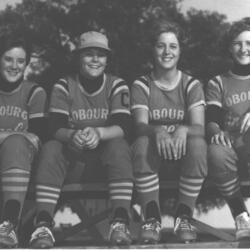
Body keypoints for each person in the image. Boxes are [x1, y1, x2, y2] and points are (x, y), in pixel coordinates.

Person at [29, 31, 134, 248]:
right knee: (51, 147)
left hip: (106, 166)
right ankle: (43, 224)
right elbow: (54, 127)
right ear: (78, 58)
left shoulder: (116, 84)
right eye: (89, 54)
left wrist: (99, 133)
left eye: (101, 55)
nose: (96, 60)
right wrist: (71, 135)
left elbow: (124, 126)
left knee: (119, 146)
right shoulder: (64, 84)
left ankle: (120, 222)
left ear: (107, 60)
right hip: (73, 164)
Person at [131, 20, 207, 244]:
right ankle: (151, 218)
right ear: (152, 50)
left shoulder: (191, 85)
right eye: (161, 46)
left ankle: (184, 216)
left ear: (180, 50)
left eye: (173, 46)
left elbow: (199, 128)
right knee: (142, 141)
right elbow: (139, 126)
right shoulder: (141, 85)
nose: (167, 52)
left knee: (198, 144)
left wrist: (183, 129)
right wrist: (157, 130)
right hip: (151, 159)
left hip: (183, 159)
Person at [0, 30, 47, 248]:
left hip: (21, 163)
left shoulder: (33, 92)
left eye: (21, 61)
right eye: (8, 59)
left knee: (17, 144)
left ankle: (9, 225)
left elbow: (36, 138)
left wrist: (8, 138)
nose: (14, 66)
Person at [206, 18, 250, 240]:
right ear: (229, 48)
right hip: (232, 145)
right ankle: (240, 214)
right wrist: (216, 132)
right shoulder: (218, 82)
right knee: (215, 150)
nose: (243, 49)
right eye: (237, 43)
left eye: (249, 43)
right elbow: (212, 118)